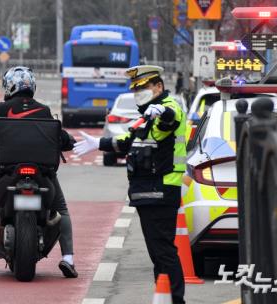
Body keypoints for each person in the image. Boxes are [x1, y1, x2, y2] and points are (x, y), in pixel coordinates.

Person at [74, 65, 186, 303]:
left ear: (159, 87)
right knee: (158, 253)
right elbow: (128, 140)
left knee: (164, 251)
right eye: (136, 89)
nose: (139, 93)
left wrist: (162, 112)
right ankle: (165, 296)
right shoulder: (145, 116)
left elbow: (171, 120)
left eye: (144, 88)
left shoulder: (169, 107)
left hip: (163, 188)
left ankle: (175, 300)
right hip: (147, 191)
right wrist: (99, 143)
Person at [0, 66, 78, 278]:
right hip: (42, 174)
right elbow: (62, 138)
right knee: (62, 210)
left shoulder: (2, 108)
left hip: (8, 172)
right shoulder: (44, 110)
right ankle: (68, 258)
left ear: (9, 86)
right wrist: (69, 141)